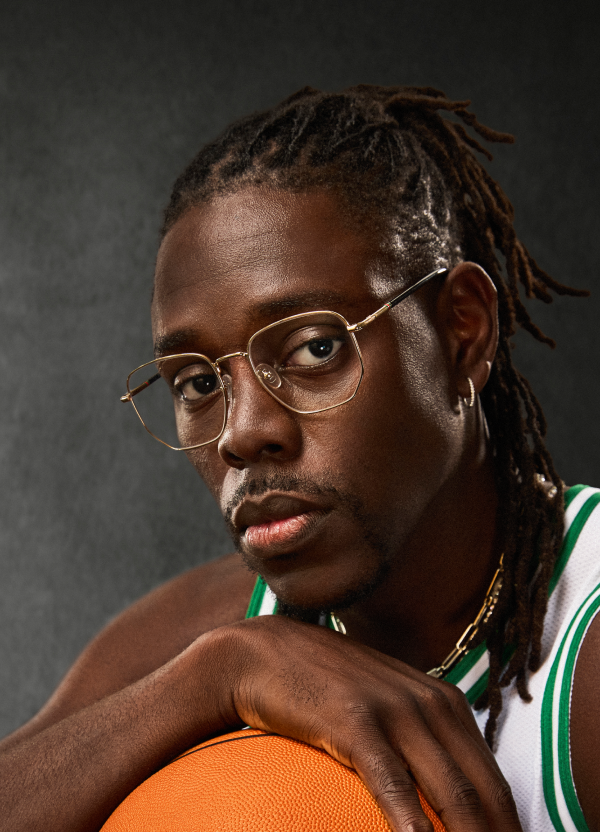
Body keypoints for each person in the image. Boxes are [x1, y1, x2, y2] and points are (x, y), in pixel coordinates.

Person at [1, 85, 598, 832]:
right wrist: (220, 677)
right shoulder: (214, 634)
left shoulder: (586, 651)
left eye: (314, 347)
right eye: (197, 381)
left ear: (462, 334)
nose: (242, 433)